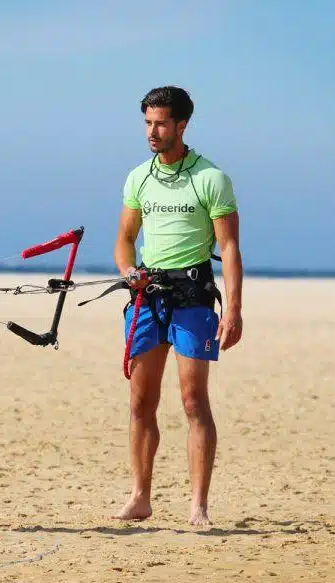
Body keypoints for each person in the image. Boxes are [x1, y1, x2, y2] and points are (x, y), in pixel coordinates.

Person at [113, 86, 243, 525]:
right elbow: (125, 240)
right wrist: (129, 271)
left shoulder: (211, 178)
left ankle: (198, 506)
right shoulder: (138, 177)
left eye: (161, 123)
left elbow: (229, 247)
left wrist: (235, 310)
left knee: (193, 402)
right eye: (148, 122)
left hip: (193, 300)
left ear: (182, 125)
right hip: (147, 298)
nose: (153, 131)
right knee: (139, 402)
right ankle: (139, 497)